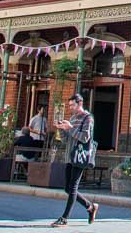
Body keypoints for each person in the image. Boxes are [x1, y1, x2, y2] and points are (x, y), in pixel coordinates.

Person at [51, 94, 98, 227]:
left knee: (72, 188)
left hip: (80, 156)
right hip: (70, 156)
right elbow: (67, 140)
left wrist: (70, 128)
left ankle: (64, 218)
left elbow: (84, 138)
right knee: (67, 188)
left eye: (73, 105)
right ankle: (90, 206)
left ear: (80, 103)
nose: (71, 108)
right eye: (70, 105)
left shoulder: (88, 118)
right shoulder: (72, 118)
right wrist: (61, 130)